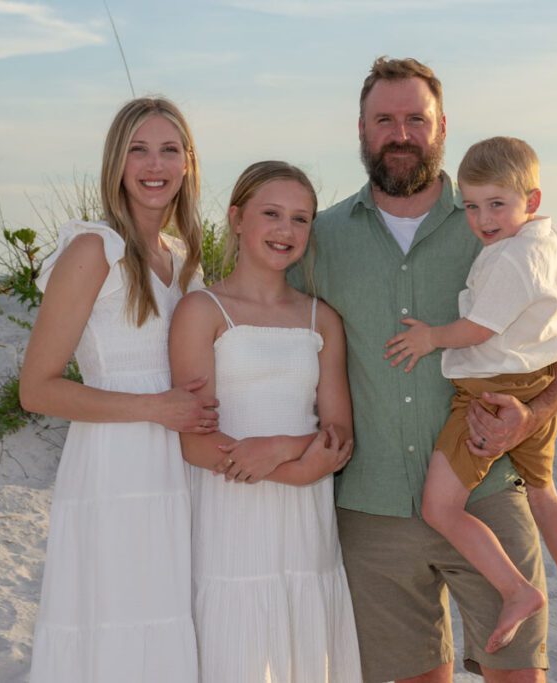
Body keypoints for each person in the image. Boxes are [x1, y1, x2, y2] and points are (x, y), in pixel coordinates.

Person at [293, 57, 557, 683]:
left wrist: (535, 415)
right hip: (370, 511)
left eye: (417, 118)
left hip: (488, 497)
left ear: (442, 126)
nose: (401, 133)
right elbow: (267, 319)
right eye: (385, 119)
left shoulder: (499, 224)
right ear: (361, 127)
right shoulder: (321, 238)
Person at [21, 97, 216, 683]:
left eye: (168, 149)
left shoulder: (183, 262)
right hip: (114, 466)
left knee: (165, 620)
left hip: (179, 466)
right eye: (138, 149)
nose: (154, 164)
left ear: (188, 164)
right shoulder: (93, 249)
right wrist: (155, 408)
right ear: (116, 162)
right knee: (116, 619)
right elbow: (37, 389)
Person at [383, 136, 557, 656]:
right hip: (535, 384)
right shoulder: (552, 239)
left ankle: (516, 589)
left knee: (440, 507)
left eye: (497, 204)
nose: (483, 220)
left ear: (532, 200)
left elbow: (478, 329)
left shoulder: (509, 258)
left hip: (487, 396)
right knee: (544, 496)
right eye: (473, 206)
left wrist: (430, 337)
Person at [169, 160, 363, 682]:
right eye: (271, 213)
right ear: (236, 218)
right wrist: (294, 464)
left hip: (305, 518)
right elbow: (194, 442)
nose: (286, 230)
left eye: (301, 219)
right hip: (229, 508)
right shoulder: (202, 310)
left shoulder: (322, 317)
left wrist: (282, 449)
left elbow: (338, 434)